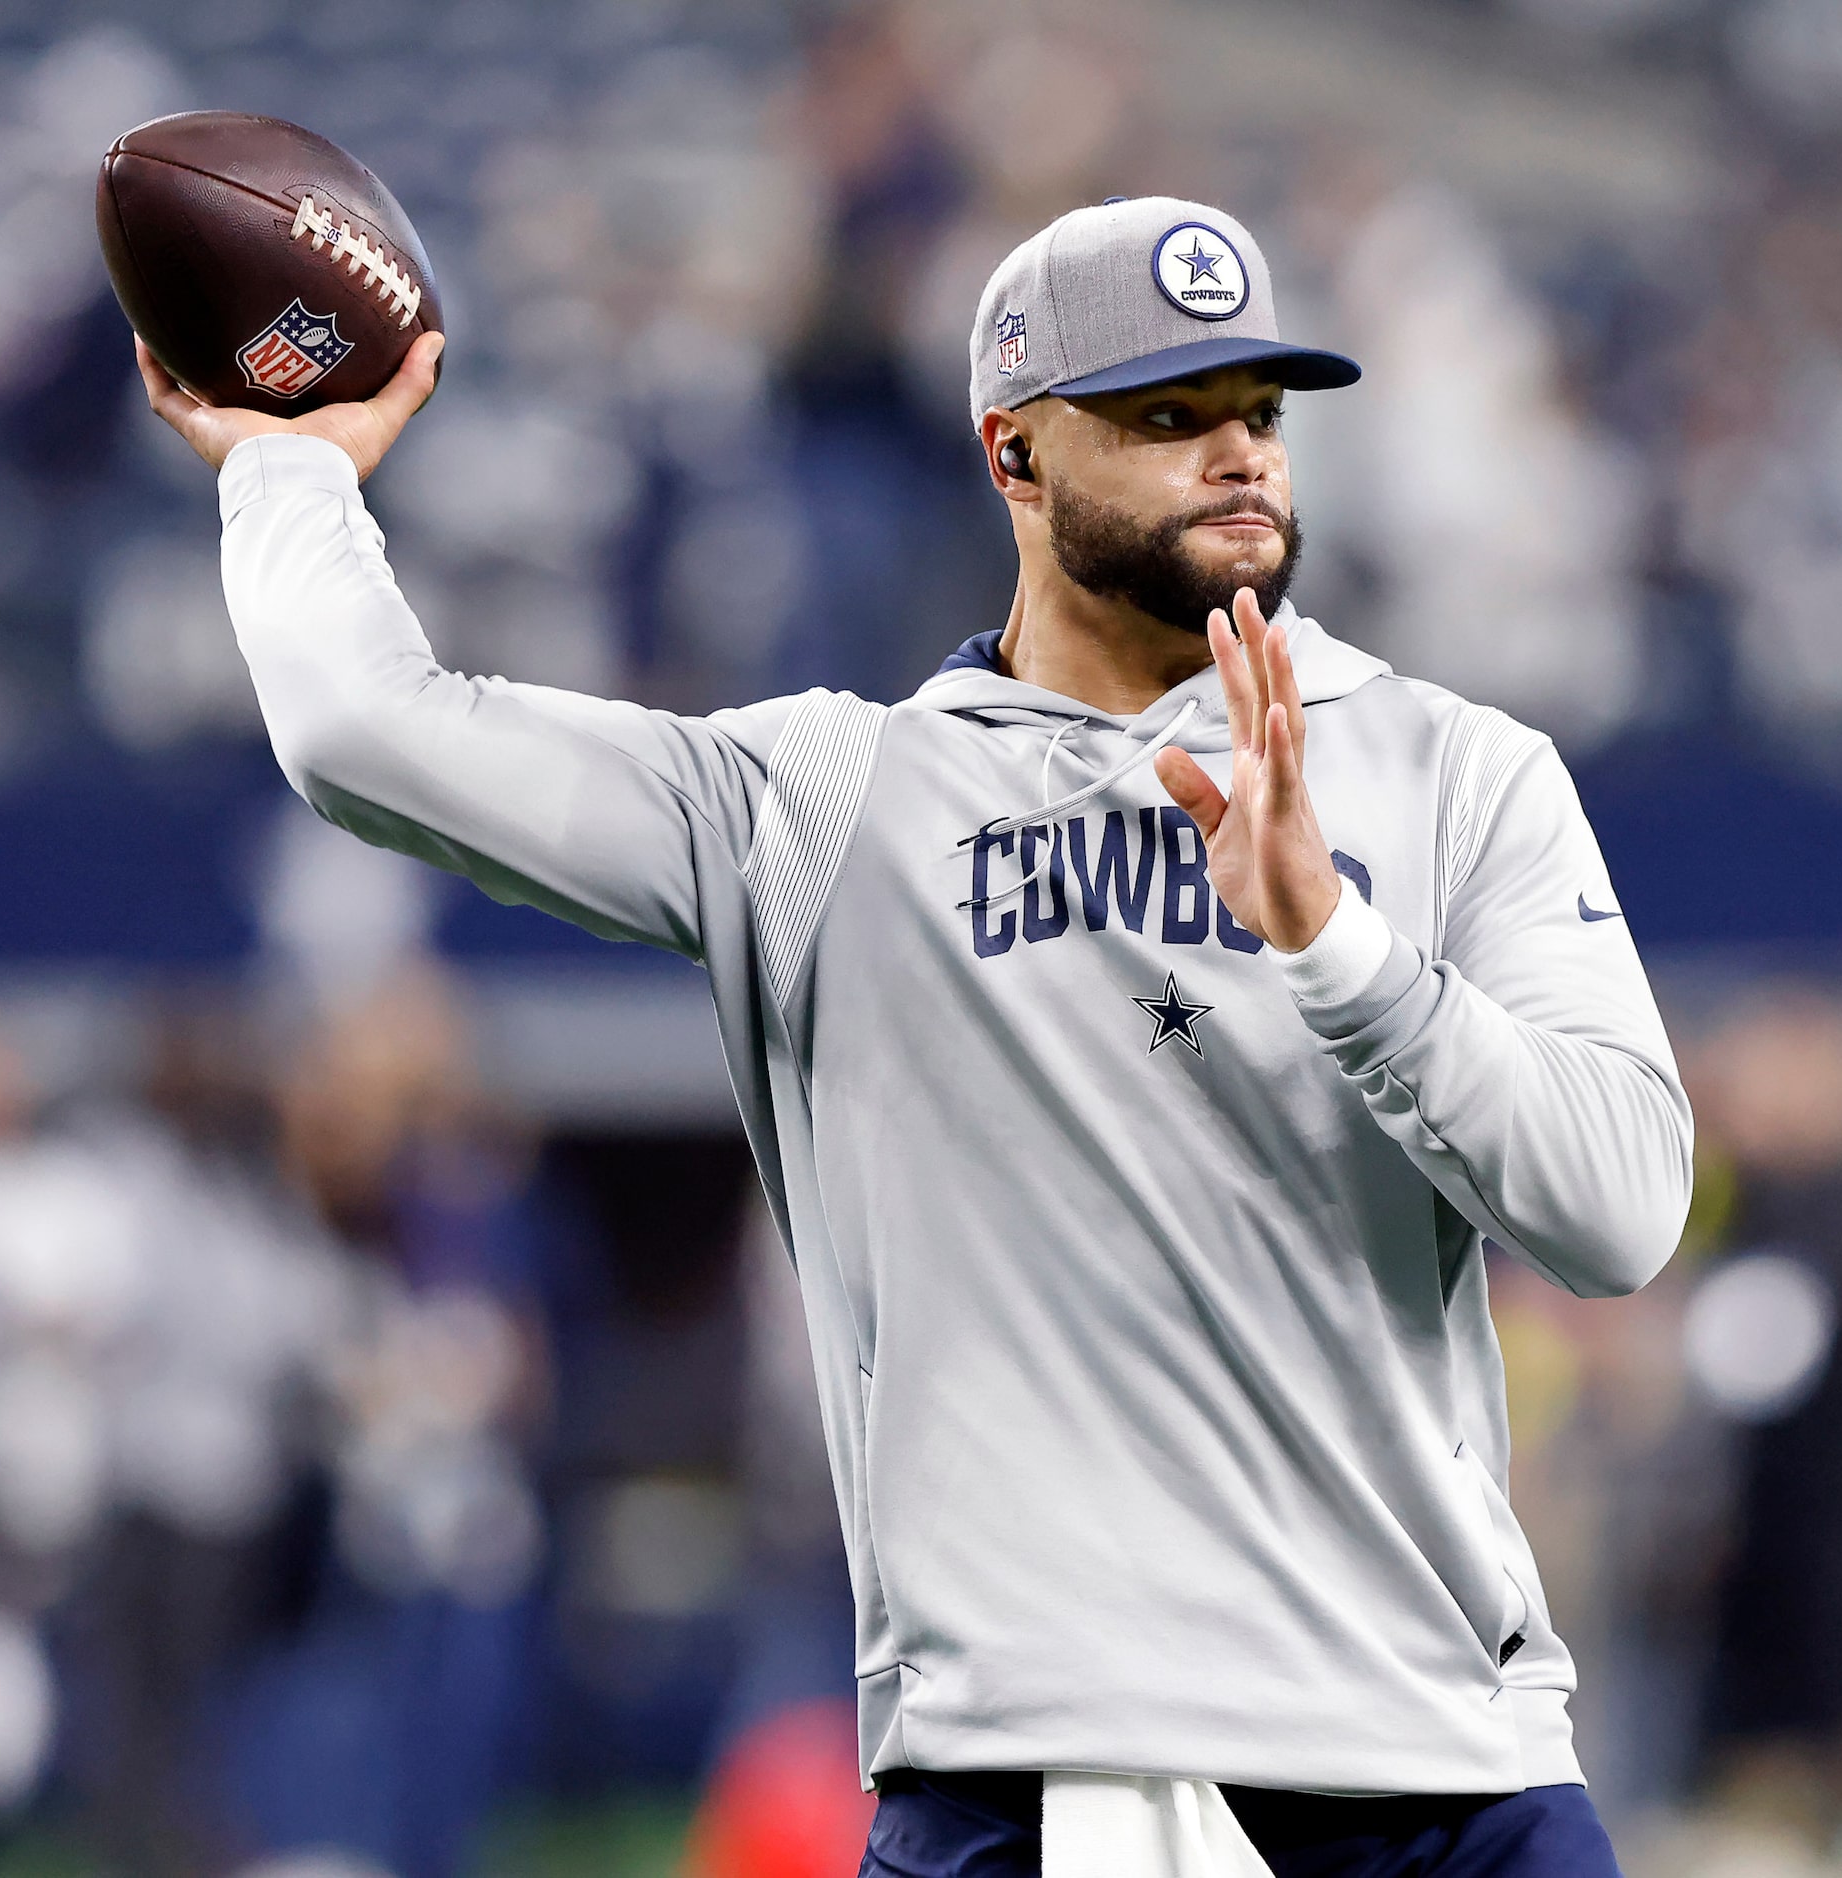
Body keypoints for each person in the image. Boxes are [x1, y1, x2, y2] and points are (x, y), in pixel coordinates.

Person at [142, 196, 1693, 1878]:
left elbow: (1618, 1215)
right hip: (1035, 1777)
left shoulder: (1458, 769)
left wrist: (1341, 945)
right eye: (1169, 417)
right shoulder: (831, 801)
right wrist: (286, 468)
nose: (1240, 456)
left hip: (1439, 1764)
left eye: (1260, 411)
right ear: (1014, 456)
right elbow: (366, 729)